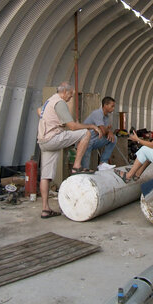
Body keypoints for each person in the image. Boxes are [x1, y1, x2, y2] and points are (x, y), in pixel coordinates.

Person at [37, 82, 102, 219]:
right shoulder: (60, 103)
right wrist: (91, 126)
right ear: (65, 92)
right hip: (53, 138)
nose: (70, 98)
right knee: (85, 133)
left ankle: (45, 209)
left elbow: (39, 111)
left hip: (43, 141)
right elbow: (72, 126)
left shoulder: (50, 100)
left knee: (45, 175)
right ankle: (77, 166)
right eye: (70, 95)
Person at [82, 96, 117, 171]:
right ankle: (84, 170)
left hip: (94, 140)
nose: (113, 108)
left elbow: (105, 131)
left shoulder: (106, 117)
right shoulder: (97, 113)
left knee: (114, 138)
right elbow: (104, 131)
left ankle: (103, 163)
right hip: (86, 141)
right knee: (85, 169)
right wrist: (108, 130)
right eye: (112, 106)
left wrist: (108, 131)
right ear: (105, 105)